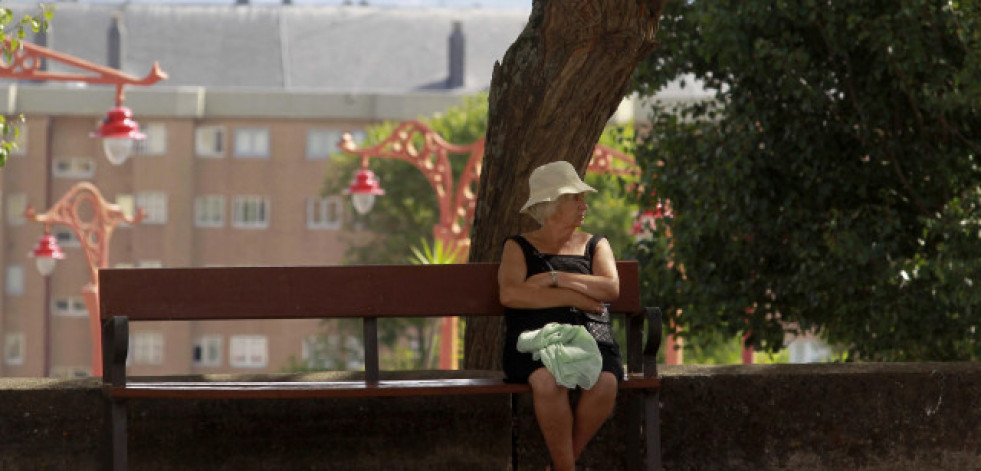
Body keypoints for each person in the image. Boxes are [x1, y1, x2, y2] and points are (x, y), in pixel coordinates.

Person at [498, 160, 623, 471]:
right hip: (536, 342)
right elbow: (512, 294)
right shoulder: (518, 246)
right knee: (548, 382)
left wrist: (556, 279)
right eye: (575, 198)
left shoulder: (596, 244)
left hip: (592, 338)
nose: (585, 205)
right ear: (551, 205)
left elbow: (609, 289)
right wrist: (573, 297)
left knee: (605, 383)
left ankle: (561, 466)